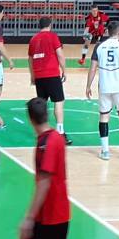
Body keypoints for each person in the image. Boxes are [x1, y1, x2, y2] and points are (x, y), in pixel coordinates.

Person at [19, 97, 70, 239]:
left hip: (54, 212)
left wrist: (29, 217)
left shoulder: (49, 142)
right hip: (46, 210)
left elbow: (45, 183)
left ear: (30, 119)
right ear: (47, 114)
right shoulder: (48, 138)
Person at [86, 21, 119, 160]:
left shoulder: (99, 46)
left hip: (104, 86)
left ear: (107, 32)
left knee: (104, 117)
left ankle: (105, 151)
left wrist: (88, 86)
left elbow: (93, 68)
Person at [28, 16, 72, 145]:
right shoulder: (53, 37)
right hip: (52, 74)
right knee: (59, 101)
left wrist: (32, 75)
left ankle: (42, 134)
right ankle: (60, 132)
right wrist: (64, 70)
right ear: (50, 25)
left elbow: (30, 59)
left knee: (42, 104)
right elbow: (60, 54)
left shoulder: (33, 39)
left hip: (39, 75)